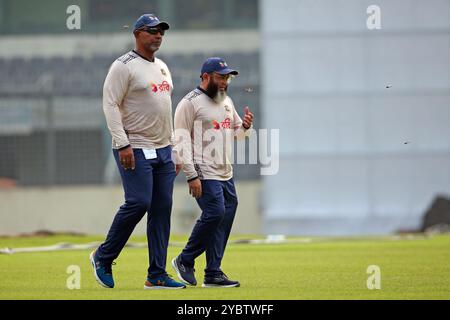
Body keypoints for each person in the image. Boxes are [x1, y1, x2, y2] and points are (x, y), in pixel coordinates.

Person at [89, 13, 185, 290]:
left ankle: (156, 275)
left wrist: (175, 150)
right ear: (137, 34)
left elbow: (165, 110)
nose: (158, 35)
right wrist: (122, 143)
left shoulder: (163, 67)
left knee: (162, 209)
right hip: (136, 147)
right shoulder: (123, 66)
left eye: (161, 32)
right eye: (152, 30)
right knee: (139, 202)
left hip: (163, 150)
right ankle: (103, 256)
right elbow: (110, 105)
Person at [171, 57, 254, 287]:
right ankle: (184, 259)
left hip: (225, 172)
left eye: (227, 77)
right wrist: (191, 175)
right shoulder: (189, 103)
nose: (225, 82)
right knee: (215, 212)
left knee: (223, 216)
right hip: (203, 171)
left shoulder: (226, 101)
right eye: (221, 77)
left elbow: (237, 133)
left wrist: (246, 126)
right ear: (205, 77)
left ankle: (213, 273)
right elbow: (180, 141)